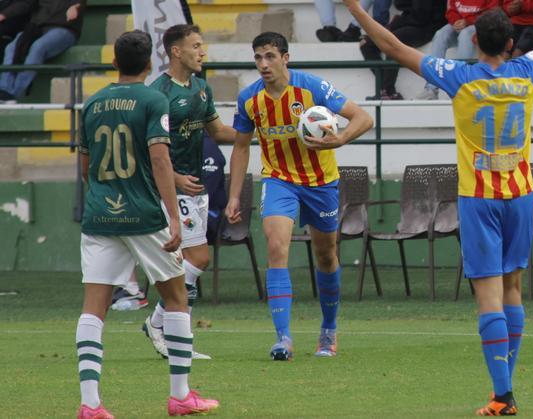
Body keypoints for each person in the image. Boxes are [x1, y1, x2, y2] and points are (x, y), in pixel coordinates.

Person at [338, 0, 533, 418]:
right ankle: (506, 386)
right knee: (513, 291)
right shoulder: (528, 70)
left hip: (479, 197)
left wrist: (358, 10)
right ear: (509, 43)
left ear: (475, 43)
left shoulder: (457, 75)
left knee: (486, 294)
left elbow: (394, 46)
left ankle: (502, 394)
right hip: (521, 194)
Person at [75, 30, 220, 419]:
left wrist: (104, 199)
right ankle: (180, 396)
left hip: (100, 215)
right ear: (148, 63)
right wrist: (175, 217)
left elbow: (86, 167)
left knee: (93, 310)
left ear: (115, 62)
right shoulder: (154, 99)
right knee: (175, 299)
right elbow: (160, 162)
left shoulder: (92, 103)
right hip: (144, 214)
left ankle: (90, 404)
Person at [225, 32, 373, 360]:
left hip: (321, 183)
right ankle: (283, 339)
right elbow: (239, 147)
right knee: (277, 248)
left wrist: (340, 139)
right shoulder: (249, 99)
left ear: (285, 58)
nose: (264, 64)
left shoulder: (312, 89)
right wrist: (234, 196)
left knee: (325, 255)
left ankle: (329, 330)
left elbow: (363, 118)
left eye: (270, 56)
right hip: (279, 181)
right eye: (258, 58)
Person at [141, 24, 237, 361]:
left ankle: (163, 326)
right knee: (194, 260)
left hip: (196, 187)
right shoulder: (159, 93)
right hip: (171, 189)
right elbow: (147, 147)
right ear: (176, 51)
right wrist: (176, 178)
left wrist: (256, 131)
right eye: (196, 45)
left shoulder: (201, 89)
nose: (202, 51)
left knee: (195, 261)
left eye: (203, 44)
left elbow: (218, 130)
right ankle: (165, 327)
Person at [0, 0, 87, 102]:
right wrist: (4, 14)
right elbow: (25, 1)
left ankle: (13, 95)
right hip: (38, 27)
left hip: (65, 28)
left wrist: (75, 6)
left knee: (38, 47)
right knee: (12, 47)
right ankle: (4, 91)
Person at [417, 0, 503, 99]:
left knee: (466, 34)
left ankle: (462, 85)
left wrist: (468, 21)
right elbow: (451, 9)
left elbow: (493, 11)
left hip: (482, 26)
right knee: (440, 34)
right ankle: (431, 88)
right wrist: (456, 20)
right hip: (460, 23)